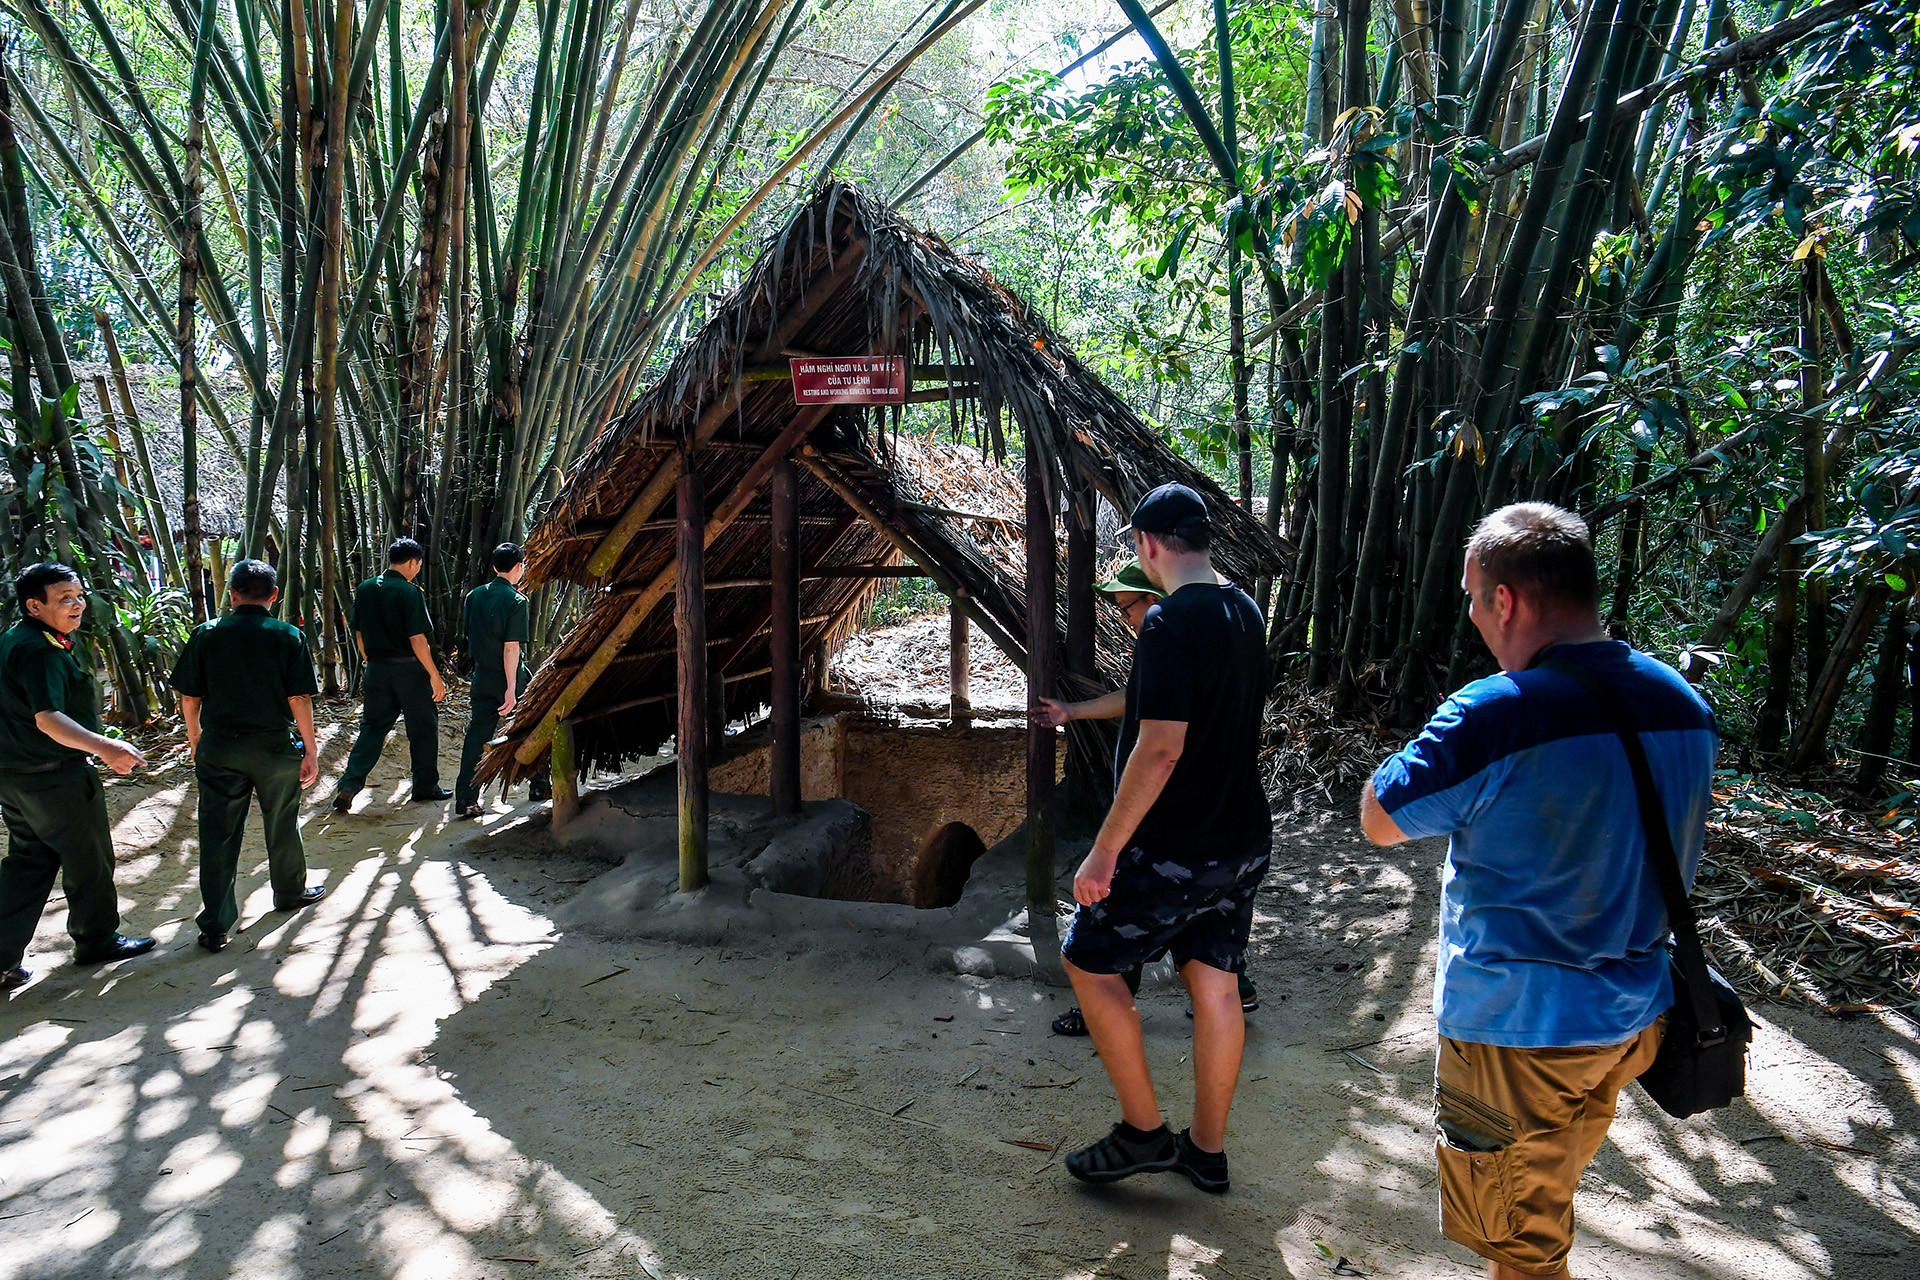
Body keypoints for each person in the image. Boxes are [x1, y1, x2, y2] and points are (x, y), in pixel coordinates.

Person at [1360, 503, 1717, 1280]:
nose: (1471, 615)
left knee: (1524, 1251)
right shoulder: (1684, 704)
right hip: (1632, 1018)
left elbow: (1380, 818)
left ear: (1505, 599)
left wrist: (1457, 719)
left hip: (1522, 1037)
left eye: (1471, 597)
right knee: (1534, 1210)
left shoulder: (1498, 712)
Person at [1055, 484, 1271, 1194]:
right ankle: (1205, 1150)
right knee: (1215, 982)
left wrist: (1105, 849)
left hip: (1180, 845)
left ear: (1148, 546)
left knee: (1088, 962)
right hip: (1242, 838)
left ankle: (1143, 1132)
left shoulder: (1170, 622)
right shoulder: (1246, 610)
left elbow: (1159, 749)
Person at [1034, 558, 1259, 1037]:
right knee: (1203, 913)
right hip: (1222, 825)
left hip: (1166, 820)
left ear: (1154, 600)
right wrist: (1071, 712)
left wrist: (1108, 847)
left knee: (1112, 910)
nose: (1125, 619)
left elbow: (1160, 752)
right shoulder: (1219, 631)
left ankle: (1103, 1005)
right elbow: (1131, 697)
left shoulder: (1171, 634)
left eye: (1128, 608)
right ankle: (1235, 991)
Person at [0, 563, 152, 988]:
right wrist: (106, 747)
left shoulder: (15, 639)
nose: (78, 605)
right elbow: (47, 718)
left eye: (79, 596)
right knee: (89, 859)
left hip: (15, 776)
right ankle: (96, 939)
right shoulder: (40, 650)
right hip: (54, 778)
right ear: (34, 606)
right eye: (64, 598)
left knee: (28, 864)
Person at [169, 559, 327, 952]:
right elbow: (299, 697)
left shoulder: (206, 634)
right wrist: (310, 748)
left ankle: (215, 924)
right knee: (282, 819)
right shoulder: (288, 636)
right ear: (274, 595)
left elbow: (190, 697)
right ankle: (289, 892)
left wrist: (195, 738)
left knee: (217, 833)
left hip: (220, 746)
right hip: (273, 746)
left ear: (232, 594)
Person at [334, 539, 450, 813]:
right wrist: (434, 674)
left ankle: (349, 784)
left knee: (372, 728)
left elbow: (359, 633)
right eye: (418, 565)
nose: (418, 569)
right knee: (423, 728)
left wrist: (371, 662)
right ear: (411, 562)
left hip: (377, 668)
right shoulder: (409, 592)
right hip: (409, 670)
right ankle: (424, 786)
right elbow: (417, 639)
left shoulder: (365, 588)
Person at [454, 544, 531, 818]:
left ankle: (466, 798)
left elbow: (469, 635)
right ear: (519, 567)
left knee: (477, 735)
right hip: (509, 676)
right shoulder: (517, 601)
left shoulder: (474, 596)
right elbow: (511, 648)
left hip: (481, 675)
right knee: (533, 726)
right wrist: (511, 688)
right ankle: (540, 784)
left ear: (495, 566)